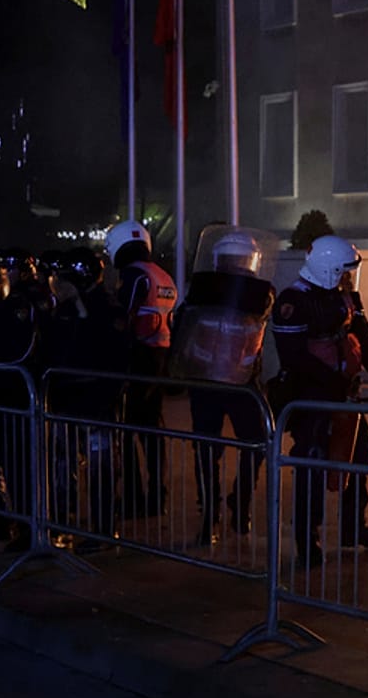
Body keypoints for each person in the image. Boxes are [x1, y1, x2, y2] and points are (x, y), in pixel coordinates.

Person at [270, 234, 368, 567]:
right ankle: (307, 538)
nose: (348, 277)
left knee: (359, 455)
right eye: (343, 271)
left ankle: (352, 528)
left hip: (343, 395)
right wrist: (331, 384)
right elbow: (293, 357)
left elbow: (367, 345)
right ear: (328, 269)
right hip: (311, 399)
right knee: (312, 463)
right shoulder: (293, 301)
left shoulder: (345, 299)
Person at [170, 225, 279, 547]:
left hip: (228, 380)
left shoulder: (219, 290)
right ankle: (218, 511)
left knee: (239, 444)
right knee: (244, 444)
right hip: (226, 380)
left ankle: (228, 508)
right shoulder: (251, 293)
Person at [42, 247, 123, 550]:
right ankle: (60, 525)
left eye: (60, 279)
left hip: (96, 400)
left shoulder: (105, 307)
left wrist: (80, 309)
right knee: (62, 467)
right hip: (65, 398)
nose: (54, 284)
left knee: (101, 468)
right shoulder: (61, 307)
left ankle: (102, 531)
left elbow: (110, 352)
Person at [106, 220, 177, 519]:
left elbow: (123, 319)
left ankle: (134, 498)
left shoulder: (134, 275)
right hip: (159, 360)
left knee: (126, 430)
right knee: (151, 431)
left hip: (135, 359)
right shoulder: (164, 276)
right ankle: (157, 497)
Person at [0, 251, 39, 550]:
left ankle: (30, 529)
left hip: (13, 399)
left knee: (18, 467)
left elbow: (17, 350)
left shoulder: (17, 307)